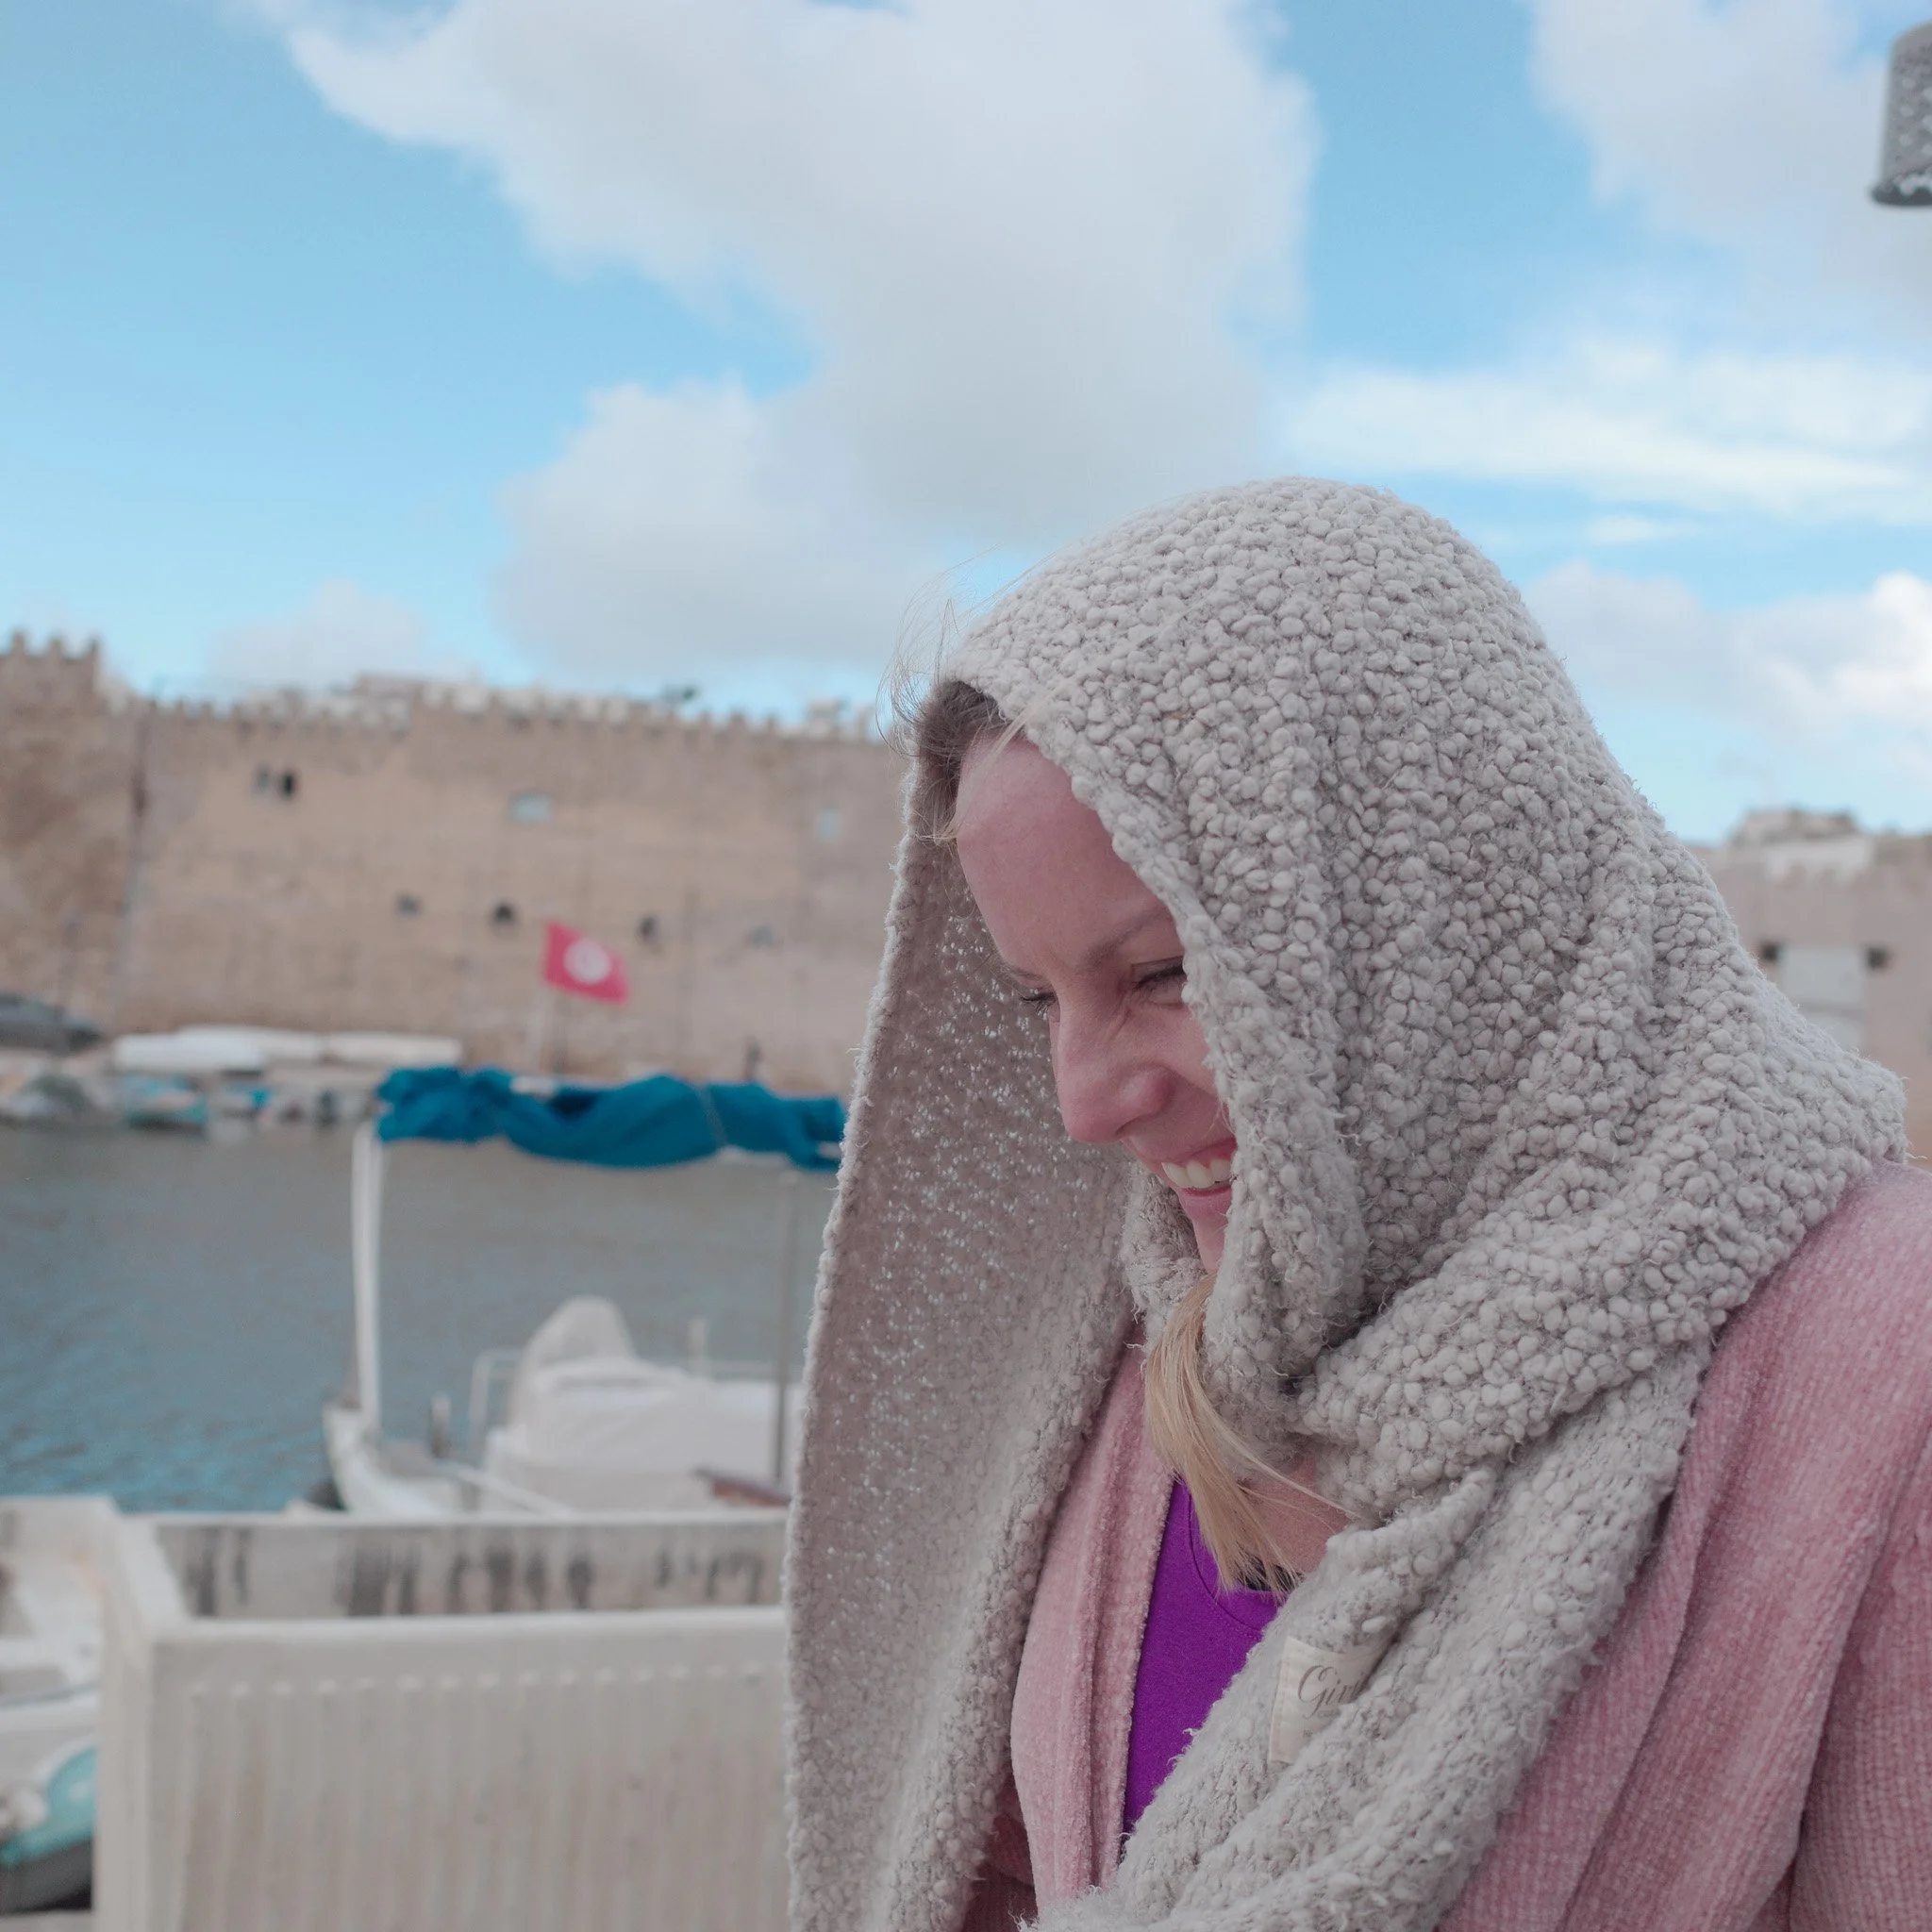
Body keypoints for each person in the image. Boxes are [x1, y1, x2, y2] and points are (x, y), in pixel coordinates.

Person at [784, 478, 1932, 1932]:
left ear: (1438, 911)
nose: (1084, 1105)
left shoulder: (1884, 1372)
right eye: (1035, 1001)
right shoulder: (1146, 1357)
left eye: (1165, 975)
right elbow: (1008, 1872)